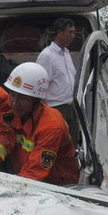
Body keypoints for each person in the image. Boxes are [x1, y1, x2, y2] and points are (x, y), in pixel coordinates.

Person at [2, 62, 79, 185]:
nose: (15, 103)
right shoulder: (13, 111)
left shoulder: (51, 126)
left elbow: (34, 174)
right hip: (24, 177)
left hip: (57, 185)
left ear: (36, 100)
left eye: (22, 98)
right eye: (12, 94)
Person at [36, 18, 80, 147]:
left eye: (73, 32)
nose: (72, 36)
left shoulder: (66, 53)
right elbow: (40, 88)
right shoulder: (47, 56)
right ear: (59, 33)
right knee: (57, 146)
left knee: (72, 145)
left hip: (71, 107)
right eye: (69, 32)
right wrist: (49, 114)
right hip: (56, 109)